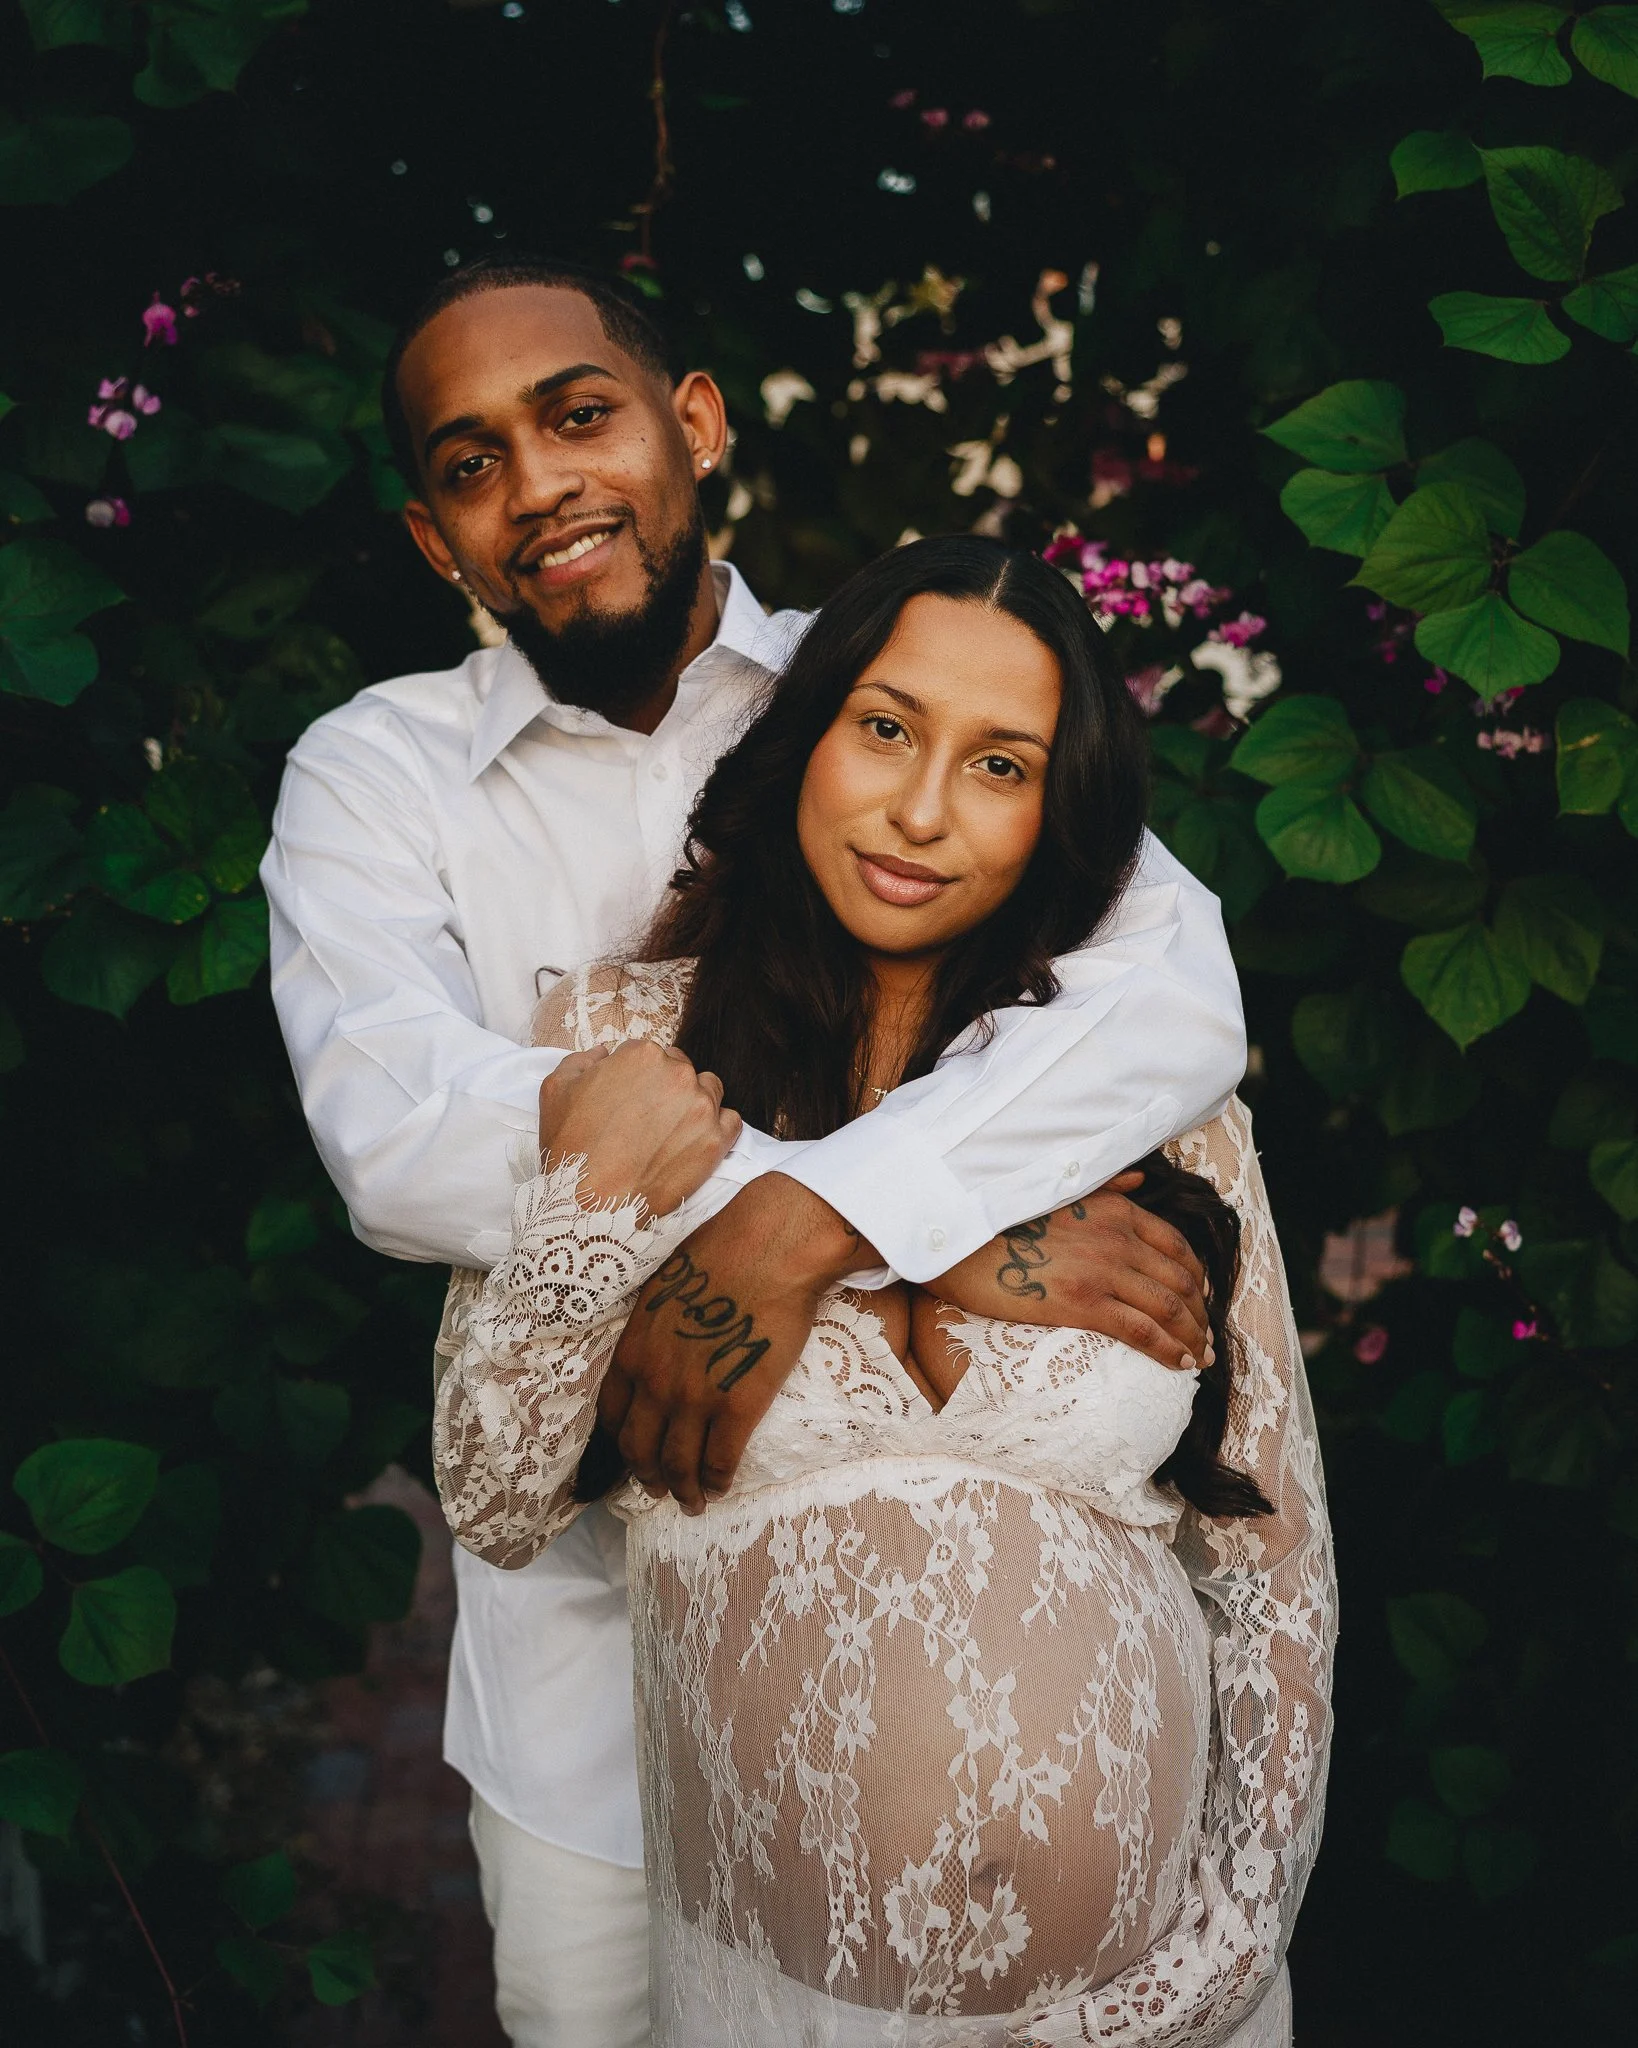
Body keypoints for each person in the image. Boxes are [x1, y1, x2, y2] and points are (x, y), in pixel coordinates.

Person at [261, 255, 1262, 2047]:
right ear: (437, 542)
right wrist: (927, 1235)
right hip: (581, 1669)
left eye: (580, 415)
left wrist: (817, 1214)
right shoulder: (372, 776)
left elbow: (1172, 998)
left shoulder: (898, 682)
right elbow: (399, 1146)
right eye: (472, 461)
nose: (540, 485)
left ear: (694, 426)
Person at [433, 536, 1334, 2045]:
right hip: (783, 2003)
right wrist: (604, 1205)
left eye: (1000, 765)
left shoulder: (1148, 1101)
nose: (922, 811)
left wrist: (1215, 1963)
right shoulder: (624, 1044)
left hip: (1162, 2007)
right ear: (805, 737)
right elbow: (495, 1488)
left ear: (1060, 815)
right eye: (886, 729)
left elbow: (1274, 1577)